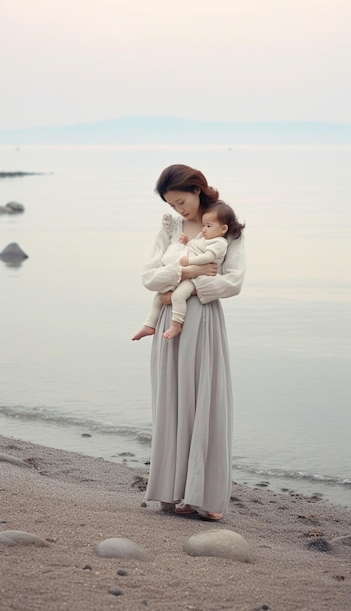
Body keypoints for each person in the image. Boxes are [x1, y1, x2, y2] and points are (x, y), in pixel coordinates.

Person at [135, 164, 245, 521]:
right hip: (170, 323)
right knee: (172, 401)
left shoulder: (225, 226)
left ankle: (203, 497)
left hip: (203, 321)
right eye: (171, 205)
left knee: (205, 402)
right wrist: (188, 273)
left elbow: (232, 282)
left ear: (197, 190)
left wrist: (186, 288)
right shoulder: (170, 229)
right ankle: (171, 491)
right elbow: (150, 277)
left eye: (181, 201)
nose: (179, 210)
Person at [132, 201, 236, 340]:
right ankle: (149, 324)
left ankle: (176, 324)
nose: (204, 229)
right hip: (189, 275)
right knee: (159, 296)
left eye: (208, 226)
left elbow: (208, 256)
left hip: (198, 279)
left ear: (223, 229)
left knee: (178, 295)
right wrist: (185, 242)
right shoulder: (204, 238)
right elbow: (194, 248)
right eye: (204, 225)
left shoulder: (219, 242)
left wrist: (190, 263)